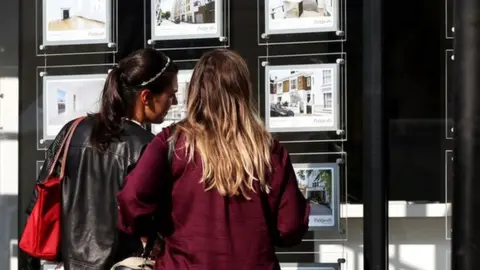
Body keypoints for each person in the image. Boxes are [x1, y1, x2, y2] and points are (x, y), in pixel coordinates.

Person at [117, 49, 310, 270]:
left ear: (196, 92)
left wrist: (155, 234)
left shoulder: (172, 142)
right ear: (243, 91)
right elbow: (290, 227)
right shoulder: (267, 150)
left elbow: (131, 201)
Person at [25, 48, 179, 270]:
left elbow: (37, 201)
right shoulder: (148, 145)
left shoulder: (72, 130)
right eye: (170, 95)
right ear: (146, 97)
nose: (173, 103)